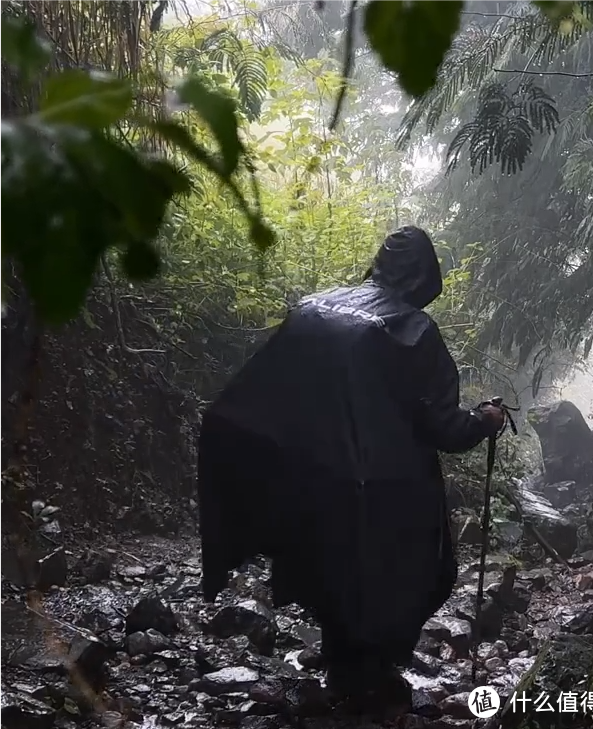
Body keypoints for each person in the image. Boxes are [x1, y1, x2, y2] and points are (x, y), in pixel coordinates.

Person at [197, 225, 505, 713]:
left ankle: (343, 673)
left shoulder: (316, 307)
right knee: (411, 572)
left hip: (303, 479)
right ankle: (367, 680)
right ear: (426, 276)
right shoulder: (411, 331)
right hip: (377, 489)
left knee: (331, 573)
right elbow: (444, 428)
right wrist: (485, 420)